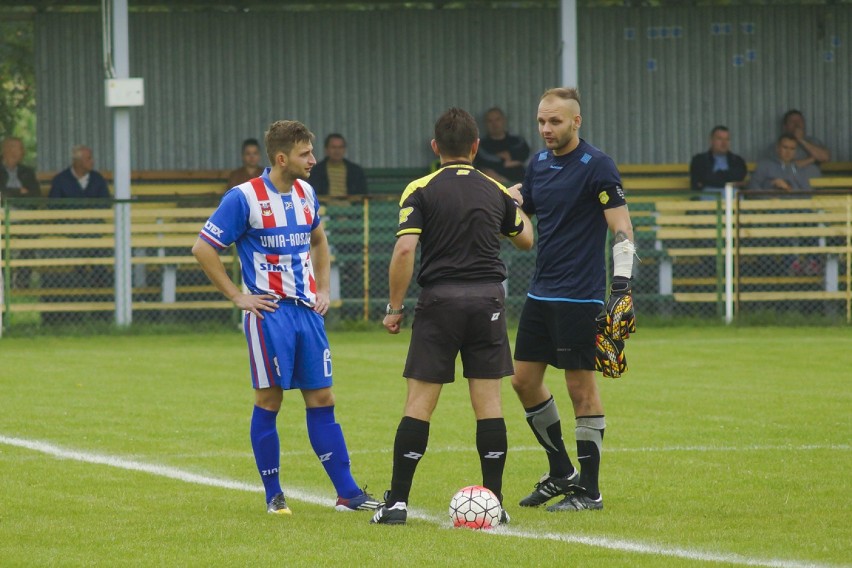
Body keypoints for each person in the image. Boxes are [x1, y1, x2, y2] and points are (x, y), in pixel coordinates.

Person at [192, 120, 380, 515]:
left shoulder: (307, 192)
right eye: (305, 153)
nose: (313, 159)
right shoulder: (242, 198)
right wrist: (237, 296)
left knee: (323, 397)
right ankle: (274, 494)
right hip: (269, 314)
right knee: (270, 399)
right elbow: (203, 248)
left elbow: (319, 240)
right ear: (281, 158)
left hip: (307, 314)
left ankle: (348, 494)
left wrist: (324, 289)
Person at [370, 107, 534, 525]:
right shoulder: (494, 189)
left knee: (419, 403)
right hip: (487, 303)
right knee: (489, 404)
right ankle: (494, 505)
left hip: (440, 303)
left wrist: (394, 308)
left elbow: (405, 250)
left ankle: (397, 504)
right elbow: (526, 241)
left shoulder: (420, 188)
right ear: (476, 147)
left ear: (435, 147)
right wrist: (513, 203)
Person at [511, 87, 635, 513]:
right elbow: (525, 205)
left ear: (576, 122)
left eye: (555, 121)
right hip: (539, 293)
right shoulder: (539, 162)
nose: (546, 129)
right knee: (522, 380)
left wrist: (622, 287)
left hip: (580, 297)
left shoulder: (597, 166)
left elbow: (622, 227)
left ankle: (591, 491)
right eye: (542, 121)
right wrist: (505, 201)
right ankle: (562, 472)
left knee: (580, 387)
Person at [764, 109, 830, 181]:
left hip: (815, 186)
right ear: (785, 126)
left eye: (800, 121)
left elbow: (825, 157)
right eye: (792, 122)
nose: (797, 124)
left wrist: (801, 140)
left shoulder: (813, 141)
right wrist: (812, 159)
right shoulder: (776, 146)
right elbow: (784, 167)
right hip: (788, 186)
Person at [473, 107, 530, 185]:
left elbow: (526, 156)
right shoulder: (481, 145)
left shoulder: (517, 140)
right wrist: (508, 161)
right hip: (495, 188)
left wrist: (504, 160)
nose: (494, 124)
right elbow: (483, 164)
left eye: (497, 119)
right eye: (490, 121)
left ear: (504, 120)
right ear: (485, 124)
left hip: (521, 185)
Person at [689, 125, 747, 193]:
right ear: (711, 141)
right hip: (708, 195)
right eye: (720, 139)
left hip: (732, 194)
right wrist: (729, 181)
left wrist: (713, 177)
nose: (724, 143)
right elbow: (701, 179)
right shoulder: (699, 160)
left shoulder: (737, 160)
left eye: (727, 139)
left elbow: (739, 176)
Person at [1, 136, 41, 200]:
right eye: (21, 148)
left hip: (24, 208)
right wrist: (19, 191)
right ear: (9, 150)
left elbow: (36, 195)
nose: (24, 152)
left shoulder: (27, 172)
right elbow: (1, 194)